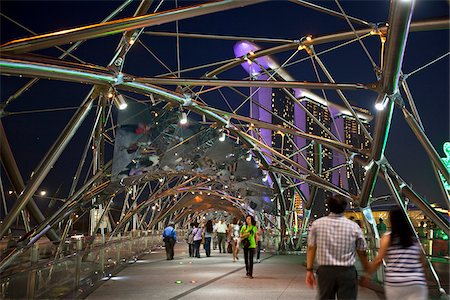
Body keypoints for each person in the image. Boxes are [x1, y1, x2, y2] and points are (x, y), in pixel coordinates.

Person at [305, 195, 369, 299]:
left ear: (329, 207)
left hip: (325, 271)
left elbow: (311, 248)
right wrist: (367, 271)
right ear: (345, 207)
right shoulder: (354, 227)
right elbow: (362, 251)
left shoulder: (317, 224)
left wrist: (309, 270)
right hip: (347, 271)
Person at [364, 209, 428, 300]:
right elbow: (422, 262)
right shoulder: (414, 239)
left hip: (395, 284)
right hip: (416, 283)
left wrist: (368, 275)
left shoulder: (388, 238)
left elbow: (378, 260)